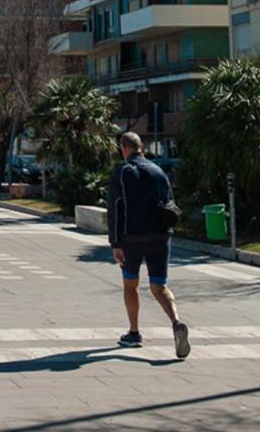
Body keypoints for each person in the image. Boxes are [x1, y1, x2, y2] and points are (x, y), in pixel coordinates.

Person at [107, 131, 190, 359]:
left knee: (131, 285)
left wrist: (115, 243)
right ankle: (176, 322)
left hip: (131, 239)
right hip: (159, 238)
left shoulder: (122, 172)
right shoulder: (157, 171)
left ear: (123, 149)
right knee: (159, 286)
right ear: (141, 146)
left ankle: (134, 333)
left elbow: (115, 207)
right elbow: (170, 205)